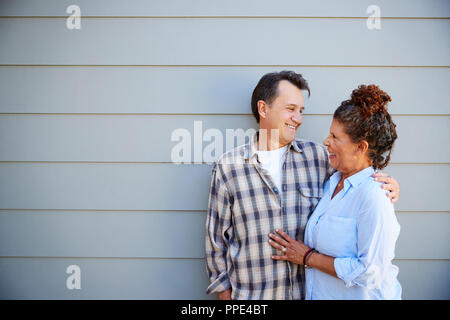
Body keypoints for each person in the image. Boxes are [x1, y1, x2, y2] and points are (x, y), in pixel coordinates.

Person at [205, 71, 400, 300]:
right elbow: (216, 241)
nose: (298, 118)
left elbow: (359, 177)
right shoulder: (229, 167)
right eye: (290, 109)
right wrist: (225, 295)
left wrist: (388, 184)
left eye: (301, 110)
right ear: (263, 109)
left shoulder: (319, 158)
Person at [268, 84, 402, 299]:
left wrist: (307, 257)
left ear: (360, 148)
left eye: (335, 137)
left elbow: (371, 271)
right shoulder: (331, 181)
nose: (326, 142)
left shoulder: (374, 195)